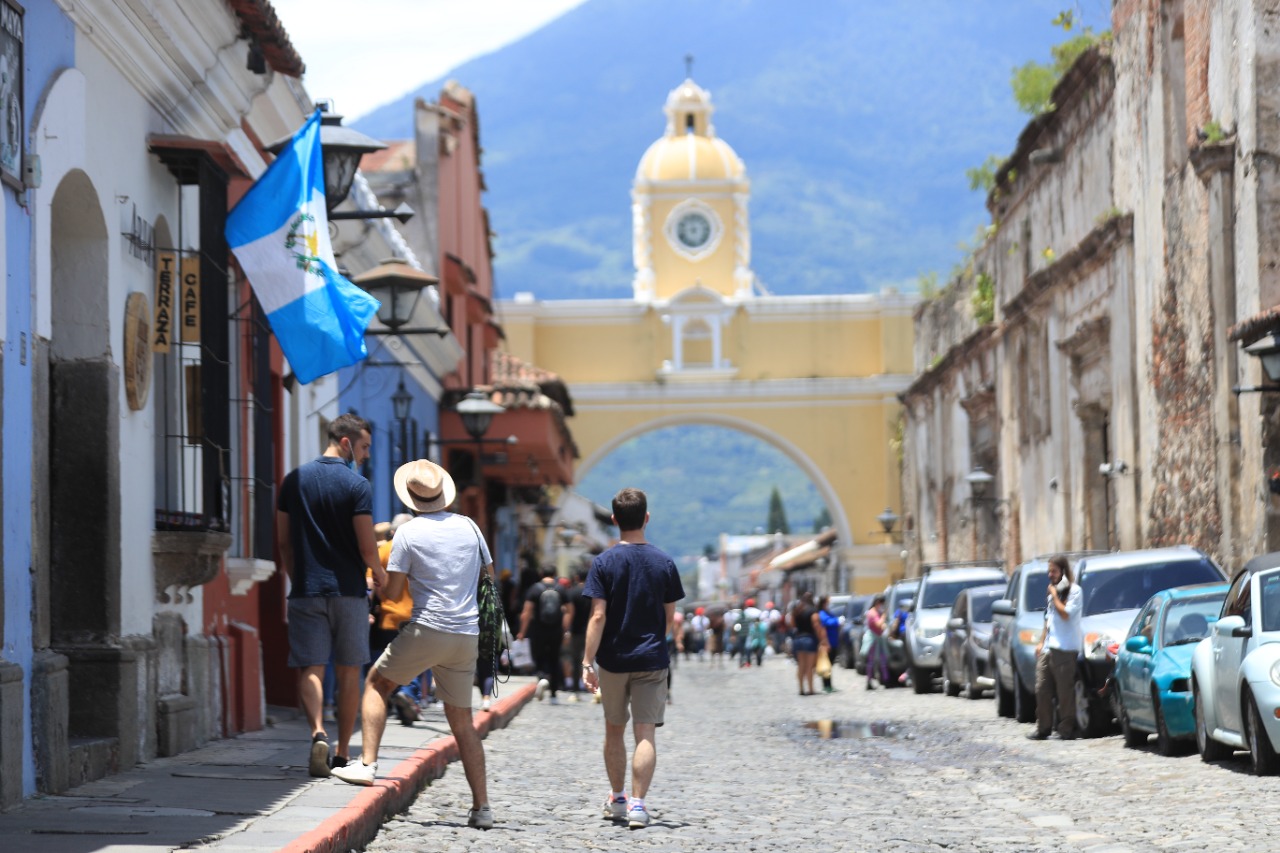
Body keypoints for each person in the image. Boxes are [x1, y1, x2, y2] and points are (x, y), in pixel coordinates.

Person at [331, 459, 495, 830]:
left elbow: (392, 591)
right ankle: (482, 807)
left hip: (428, 628)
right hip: (466, 633)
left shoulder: (408, 533)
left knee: (377, 683)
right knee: (463, 723)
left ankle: (368, 764)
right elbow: (487, 575)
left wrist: (378, 579)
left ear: (412, 499)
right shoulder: (470, 527)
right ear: (444, 494)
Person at [276, 413, 384, 777]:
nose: (366, 455)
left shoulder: (293, 481)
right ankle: (340, 752)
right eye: (364, 446)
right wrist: (380, 574)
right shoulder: (357, 486)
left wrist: (299, 578)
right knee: (350, 670)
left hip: (307, 589)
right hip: (350, 592)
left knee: (311, 666)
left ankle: (317, 732)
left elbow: (284, 542)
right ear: (346, 443)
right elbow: (368, 548)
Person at [582, 487, 685, 830]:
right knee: (645, 734)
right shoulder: (665, 563)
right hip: (652, 660)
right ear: (646, 518)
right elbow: (670, 617)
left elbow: (597, 617)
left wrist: (587, 662)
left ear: (614, 521)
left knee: (614, 730)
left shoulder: (603, 563)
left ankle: (618, 799)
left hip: (612, 660)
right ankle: (639, 806)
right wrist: (657, 640)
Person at [368, 513, 422, 725]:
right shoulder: (419, 552)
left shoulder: (382, 550)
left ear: (393, 531)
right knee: (414, 661)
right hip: (414, 615)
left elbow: (371, 583)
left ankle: (392, 699)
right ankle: (407, 693)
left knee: (387, 661)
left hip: (388, 616)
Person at [1027, 553, 1083, 741]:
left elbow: (1066, 614)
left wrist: (1054, 595)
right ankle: (1043, 728)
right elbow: (1048, 619)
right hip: (1048, 648)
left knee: (1064, 692)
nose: (1050, 575)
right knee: (1041, 688)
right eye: (1049, 571)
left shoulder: (1074, 591)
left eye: (1054, 571)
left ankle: (1066, 729)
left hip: (1066, 648)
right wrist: (1041, 642)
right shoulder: (1054, 593)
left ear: (1063, 572)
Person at [517, 569, 572, 703]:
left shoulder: (535, 589)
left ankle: (542, 678)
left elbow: (527, 612)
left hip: (538, 631)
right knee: (554, 659)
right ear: (554, 574)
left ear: (541, 574)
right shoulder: (561, 589)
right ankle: (553, 694)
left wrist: (522, 632)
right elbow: (569, 611)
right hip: (556, 630)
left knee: (539, 657)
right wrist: (565, 630)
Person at [789, 591, 826, 696]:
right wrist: (822, 639)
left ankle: (801, 688)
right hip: (809, 639)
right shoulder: (813, 611)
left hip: (798, 639)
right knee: (810, 666)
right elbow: (816, 625)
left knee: (801, 665)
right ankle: (810, 689)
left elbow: (792, 625)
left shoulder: (797, 611)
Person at [864, 594, 891, 689]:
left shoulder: (877, 612)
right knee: (871, 661)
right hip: (873, 639)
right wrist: (884, 616)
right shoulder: (872, 613)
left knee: (883, 660)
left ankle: (886, 679)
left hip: (879, 638)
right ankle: (869, 681)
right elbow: (879, 624)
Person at [817, 594, 840, 692]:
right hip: (827, 643)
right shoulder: (822, 613)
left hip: (834, 642)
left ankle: (829, 685)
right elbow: (827, 622)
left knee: (830, 665)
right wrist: (837, 621)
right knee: (826, 665)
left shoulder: (828, 612)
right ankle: (826, 686)